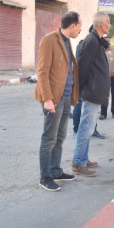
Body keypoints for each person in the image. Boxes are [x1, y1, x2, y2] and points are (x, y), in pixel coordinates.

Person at [34, 11, 82, 191]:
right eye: (79, 26)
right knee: (49, 138)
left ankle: (55, 171)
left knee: (60, 137)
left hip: (66, 96)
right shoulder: (49, 40)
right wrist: (47, 99)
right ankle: (45, 176)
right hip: (54, 97)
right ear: (72, 25)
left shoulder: (67, 41)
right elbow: (42, 72)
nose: (80, 29)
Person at [72, 12, 111, 177]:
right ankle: (78, 163)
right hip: (91, 91)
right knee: (86, 127)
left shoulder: (97, 40)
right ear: (102, 25)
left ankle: (82, 158)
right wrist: (79, 90)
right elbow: (82, 67)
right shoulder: (91, 40)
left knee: (88, 128)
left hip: (94, 91)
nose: (110, 25)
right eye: (108, 22)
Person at [72, 26, 105, 139]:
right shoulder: (85, 43)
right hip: (85, 81)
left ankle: (93, 129)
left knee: (93, 109)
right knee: (79, 105)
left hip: (94, 83)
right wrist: (79, 83)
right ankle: (77, 129)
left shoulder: (98, 44)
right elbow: (81, 63)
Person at [100, 37, 114, 119]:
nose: (107, 43)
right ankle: (103, 113)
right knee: (104, 95)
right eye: (105, 41)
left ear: (110, 41)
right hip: (104, 77)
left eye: (108, 41)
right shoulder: (100, 51)